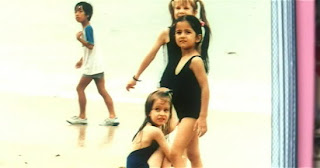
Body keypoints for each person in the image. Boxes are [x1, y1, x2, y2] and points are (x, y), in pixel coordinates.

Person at [126, 0, 211, 91]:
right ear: (172, 11)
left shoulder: (198, 34)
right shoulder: (167, 33)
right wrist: (136, 77)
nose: (181, 11)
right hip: (168, 82)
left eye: (186, 8)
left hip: (190, 82)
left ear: (195, 12)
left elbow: (200, 59)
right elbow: (151, 55)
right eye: (177, 8)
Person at [67, 2, 119, 126]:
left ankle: (82, 116)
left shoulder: (88, 28)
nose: (77, 14)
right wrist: (81, 59)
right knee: (102, 91)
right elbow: (90, 48)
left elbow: (90, 45)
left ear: (88, 14)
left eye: (80, 11)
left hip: (92, 67)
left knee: (80, 88)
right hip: (98, 65)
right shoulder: (87, 28)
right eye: (76, 11)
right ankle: (113, 116)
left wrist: (79, 39)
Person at [168, 15, 210, 167]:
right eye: (178, 32)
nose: (182, 36)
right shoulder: (181, 59)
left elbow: (205, 88)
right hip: (183, 114)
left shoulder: (195, 60)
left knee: (174, 153)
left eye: (187, 32)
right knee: (193, 154)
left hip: (191, 115)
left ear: (198, 37)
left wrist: (203, 117)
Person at [126, 88, 175, 168]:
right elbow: (171, 157)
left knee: (166, 149)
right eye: (157, 109)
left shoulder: (149, 126)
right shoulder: (154, 131)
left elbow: (173, 124)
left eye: (166, 110)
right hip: (140, 166)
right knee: (165, 151)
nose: (162, 113)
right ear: (149, 112)